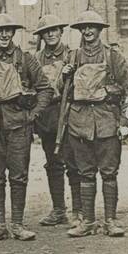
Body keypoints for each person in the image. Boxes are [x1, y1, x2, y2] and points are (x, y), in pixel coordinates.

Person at [0, 13, 53, 242]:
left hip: (18, 126)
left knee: (19, 175)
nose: (4, 35)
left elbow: (45, 88)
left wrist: (34, 115)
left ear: (13, 33)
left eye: (8, 30)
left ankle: (17, 224)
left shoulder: (25, 59)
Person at [62, 9, 128, 238]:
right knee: (85, 174)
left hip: (107, 123)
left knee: (109, 173)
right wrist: (64, 76)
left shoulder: (113, 57)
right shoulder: (72, 57)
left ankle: (111, 220)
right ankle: (88, 221)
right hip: (79, 124)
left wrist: (126, 123)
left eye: (92, 27)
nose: (88, 31)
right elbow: (59, 93)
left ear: (100, 30)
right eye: (84, 28)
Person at [33, 13, 80, 227]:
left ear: (61, 32)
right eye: (46, 31)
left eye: (54, 30)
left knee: (73, 162)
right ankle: (59, 209)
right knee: (53, 163)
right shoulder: (35, 59)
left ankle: (79, 210)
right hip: (46, 117)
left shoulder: (73, 55)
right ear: (41, 35)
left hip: (69, 115)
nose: (50, 34)